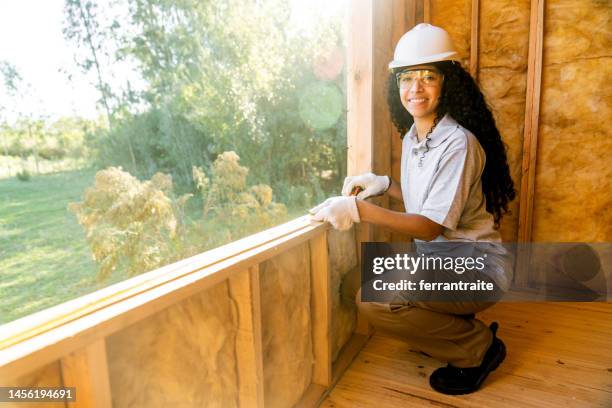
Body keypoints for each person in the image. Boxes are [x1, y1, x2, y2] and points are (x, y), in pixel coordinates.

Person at [309, 23, 516, 395]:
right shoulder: (414, 137)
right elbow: (430, 202)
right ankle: (452, 319)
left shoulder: (458, 144)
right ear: (397, 85)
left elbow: (430, 227)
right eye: (407, 78)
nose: (415, 88)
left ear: (446, 83)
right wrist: (386, 187)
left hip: (476, 269)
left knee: (373, 302)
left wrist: (358, 210)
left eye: (428, 76)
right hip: (442, 264)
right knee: (355, 283)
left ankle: (478, 347)